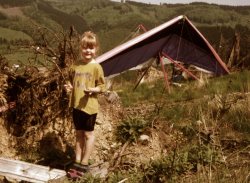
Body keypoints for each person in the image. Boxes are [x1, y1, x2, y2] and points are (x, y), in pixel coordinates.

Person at [64, 31, 105, 174]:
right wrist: (69, 86)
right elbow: (71, 79)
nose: (88, 50)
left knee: (88, 135)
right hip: (76, 105)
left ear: (96, 49)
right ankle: (77, 161)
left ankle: (85, 162)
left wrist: (93, 90)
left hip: (89, 107)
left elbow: (102, 87)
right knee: (78, 134)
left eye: (91, 47)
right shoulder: (76, 65)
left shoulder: (96, 67)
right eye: (85, 47)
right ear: (81, 48)